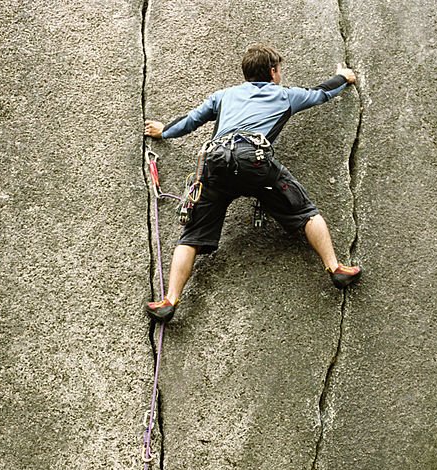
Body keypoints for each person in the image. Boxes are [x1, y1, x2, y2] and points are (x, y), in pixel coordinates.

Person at [143, 43, 362, 322]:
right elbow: (321, 93)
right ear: (273, 71)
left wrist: (164, 132)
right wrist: (344, 77)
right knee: (305, 212)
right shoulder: (285, 96)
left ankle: (170, 299)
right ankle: (335, 268)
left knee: (192, 236)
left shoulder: (224, 96)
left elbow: (191, 120)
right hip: (256, 166)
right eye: (279, 69)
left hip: (217, 165)